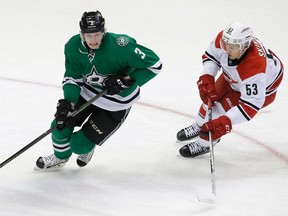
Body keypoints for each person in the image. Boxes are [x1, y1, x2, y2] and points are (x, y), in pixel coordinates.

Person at [35, 11, 162, 169]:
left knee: (78, 146)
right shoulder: (73, 46)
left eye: (97, 34)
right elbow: (73, 78)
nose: (93, 40)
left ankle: (88, 145)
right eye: (89, 35)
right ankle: (60, 158)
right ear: (82, 35)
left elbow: (155, 65)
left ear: (104, 32)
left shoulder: (120, 45)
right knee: (59, 126)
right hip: (87, 94)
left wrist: (126, 80)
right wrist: (68, 102)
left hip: (116, 103)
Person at [177, 21, 284, 157]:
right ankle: (199, 125)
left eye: (231, 47)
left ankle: (204, 144)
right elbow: (212, 56)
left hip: (258, 91)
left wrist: (225, 122)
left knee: (218, 116)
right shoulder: (225, 39)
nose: (226, 49)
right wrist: (207, 77)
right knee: (209, 101)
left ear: (244, 46)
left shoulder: (254, 70)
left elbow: (249, 106)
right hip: (233, 77)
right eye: (225, 44)